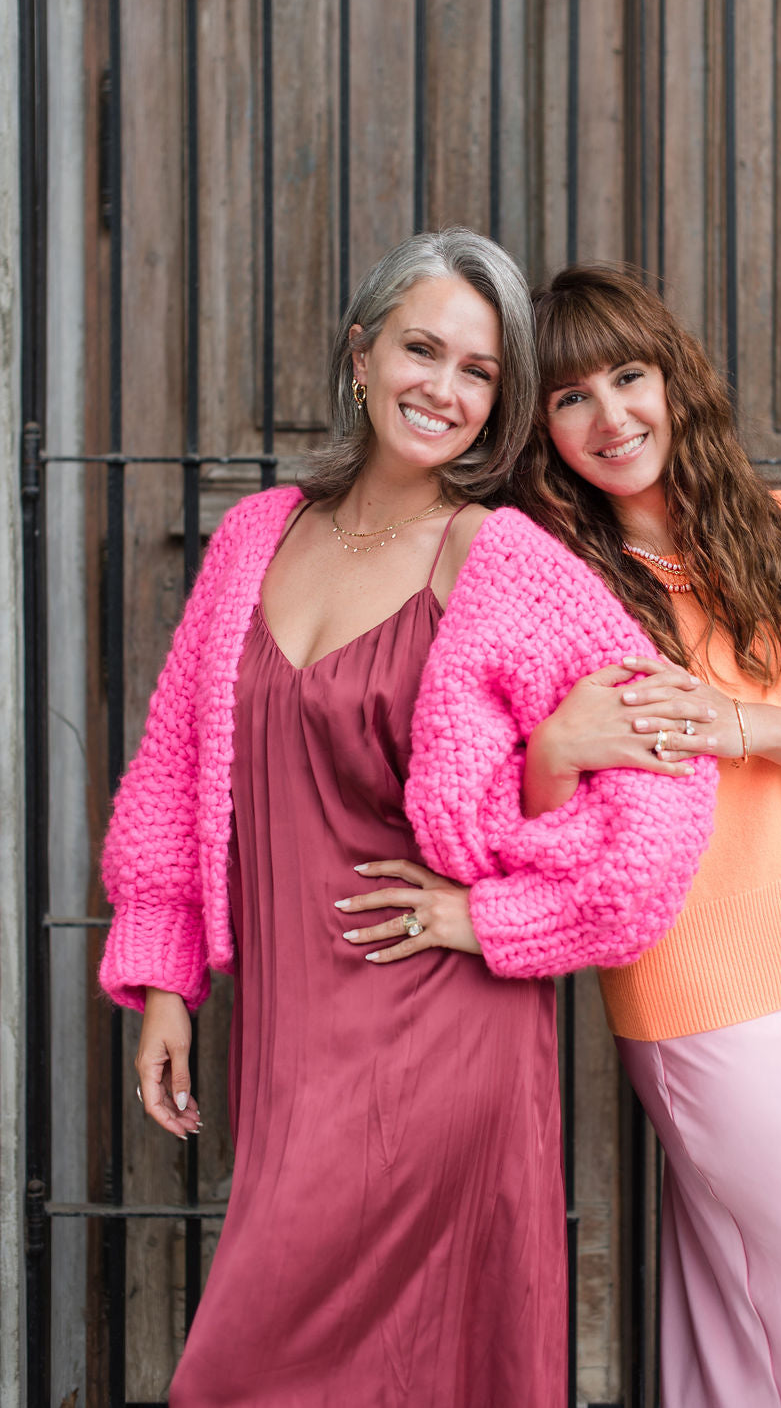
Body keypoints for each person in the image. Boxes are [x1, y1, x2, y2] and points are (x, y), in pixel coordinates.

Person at [383, 264, 781, 1407]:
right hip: (704, 1008)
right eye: (571, 397)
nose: (611, 416)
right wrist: (557, 750)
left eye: (628, 376)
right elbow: (510, 813)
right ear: (541, 430)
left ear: (673, 379)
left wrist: (743, 725)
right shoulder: (553, 582)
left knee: (742, 1331)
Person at [98, 232, 716, 1408]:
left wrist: (499, 918)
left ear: (500, 401)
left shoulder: (499, 556)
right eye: (421, 349)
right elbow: (174, 769)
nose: (442, 387)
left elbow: (669, 780)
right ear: (361, 354)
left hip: (445, 1034)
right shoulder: (254, 537)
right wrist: (165, 980)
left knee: (258, 1367)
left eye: (477, 371)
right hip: (290, 1034)